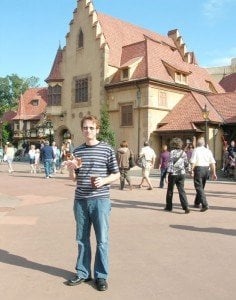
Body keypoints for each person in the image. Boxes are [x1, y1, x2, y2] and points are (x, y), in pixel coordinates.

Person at [65, 115, 120, 292]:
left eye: (91, 127)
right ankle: (82, 272)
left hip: (100, 200)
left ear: (97, 130)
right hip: (81, 200)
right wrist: (72, 169)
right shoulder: (78, 151)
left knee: (102, 240)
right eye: (85, 128)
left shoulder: (107, 149)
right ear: (82, 130)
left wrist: (103, 181)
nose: (88, 130)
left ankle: (101, 276)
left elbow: (116, 174)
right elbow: (74, 179)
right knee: (82, 239)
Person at [190, 137, 217, 212]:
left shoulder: (196, 150)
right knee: (201, 187)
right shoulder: (208, 151)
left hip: (199, 169)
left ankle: (205, 204)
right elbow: (212, 162)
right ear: (204, 144)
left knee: (199, 187)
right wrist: (214, 173)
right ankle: (197, 202)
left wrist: (191, 170)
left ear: (197, 144)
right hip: (206, 169)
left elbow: (193, 162)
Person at [164, 138, 190, 213]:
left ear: (173, 144)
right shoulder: (183, 152)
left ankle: (169, 207)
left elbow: (170, 164)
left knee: (170, 190)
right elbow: (186, 163)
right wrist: (189, 171)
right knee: (181, 190)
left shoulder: (172, 152)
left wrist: (167, 174)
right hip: (182, 173)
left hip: (173, 174)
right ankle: (186, 207)